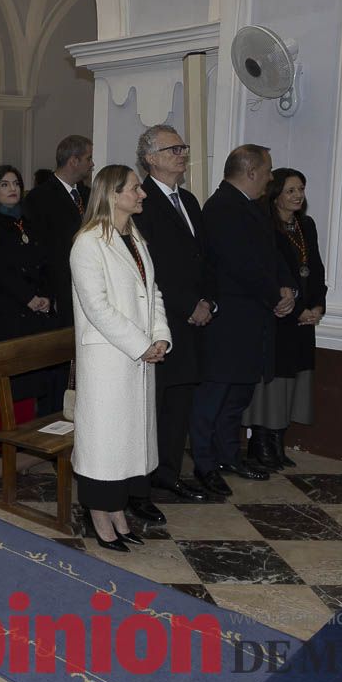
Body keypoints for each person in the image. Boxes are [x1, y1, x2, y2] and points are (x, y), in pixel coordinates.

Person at [69, 164, 171, 553]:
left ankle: (118, 513)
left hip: (137, 355)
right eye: (135, 188)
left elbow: (153, 294)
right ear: (112, 194)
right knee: (105, 444)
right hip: (110, 358)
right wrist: (140, 342)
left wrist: (160, 336)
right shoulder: (88, 242)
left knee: (127, 442)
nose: (142, 194)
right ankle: (99, 516)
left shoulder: (135, 238)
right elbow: (96, 307)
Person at [191, 145, 296, 497]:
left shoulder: (253, 207)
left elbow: (273, 255)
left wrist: (287, 288)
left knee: (237, 396)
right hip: (228, 322)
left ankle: (228, 455)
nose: (270, 177)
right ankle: (204, 464)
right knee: (214, 397)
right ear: (250, 171)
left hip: (253, 320)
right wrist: (273, 295)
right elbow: (239, 264)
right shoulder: (221, 207)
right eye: (267, 170)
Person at [130, 126, 210, 506]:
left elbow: (202, 259)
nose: (181, 153)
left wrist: (208, 300)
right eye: (172, 148)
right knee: (153, 406)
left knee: (179, 404)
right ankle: (140, 484)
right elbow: (150, 266)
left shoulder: (190, 201)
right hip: (161, 322)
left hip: (194, 322)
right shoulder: (140, 203)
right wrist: (186, 305)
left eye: (183, 146)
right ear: (150, 158)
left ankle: (168, 475)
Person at [242, 168, 327, 469]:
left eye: (301, 189)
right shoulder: (266, 227)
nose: (298, 195)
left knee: (294, 382)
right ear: (275, 194)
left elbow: (315, 269)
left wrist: (317, 305)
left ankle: (278, 442)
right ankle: (260, 442)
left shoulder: (307, 226)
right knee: (273, 383)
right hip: (280, 316)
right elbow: (272, 273)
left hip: (304, 319)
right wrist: (298, 306)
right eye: (291, 190)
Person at [0, 164, 58, 455]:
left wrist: (45, 294)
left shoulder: (28, 222)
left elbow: (46, 262)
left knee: (27, 380)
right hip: (1, 312)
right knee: (1, 381)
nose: (12, 189)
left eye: (16, 184)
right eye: (5, 185)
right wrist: (28, 297)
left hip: (30, 312)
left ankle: (24, 437)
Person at [22, 135, 94, 327]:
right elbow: (41, 247)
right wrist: (47, 290)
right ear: (74, 161)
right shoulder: (40, 197)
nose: (92, 164)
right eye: (88, 158)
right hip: (60, 284)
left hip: (90, 280)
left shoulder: (89, 194)